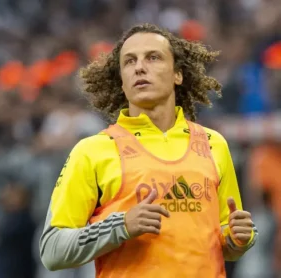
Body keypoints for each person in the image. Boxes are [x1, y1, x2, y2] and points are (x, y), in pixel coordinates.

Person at [39, 23, 258, 277]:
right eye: (129, 62)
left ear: (178, 74)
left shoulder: (213, 144)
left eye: (153, 57)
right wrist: (120, 226)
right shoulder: (93, 151)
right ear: (122, 82)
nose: (140, 67)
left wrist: (238, 238)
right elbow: (51, 250)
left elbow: (223, 240)